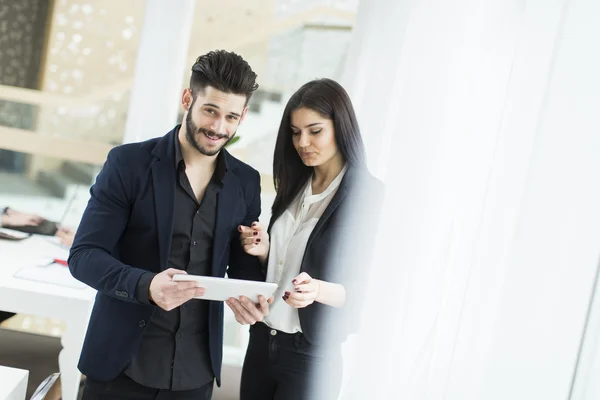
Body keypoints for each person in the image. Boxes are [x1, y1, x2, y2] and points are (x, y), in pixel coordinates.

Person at [68, 50, 271, 400]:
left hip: (195, 375)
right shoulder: (128, 164)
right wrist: (146, 285)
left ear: (243, 116)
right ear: (187, 98)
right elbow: (84, 256)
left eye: (231, 117)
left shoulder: (246, 183)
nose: (219, 128)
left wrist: (253, 295)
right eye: (210, 110)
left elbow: (241, 276)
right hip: (121, 365)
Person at [229, 78, 382, 400]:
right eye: (296, 132)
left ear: (341, 127)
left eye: (315, 131)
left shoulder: (366, 194)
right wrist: (264, 251)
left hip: (310, 355)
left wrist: (317, 290)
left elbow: (369, 291)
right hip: (261, 341)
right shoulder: (295, 184)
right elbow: (289, 262)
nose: (303, 142)